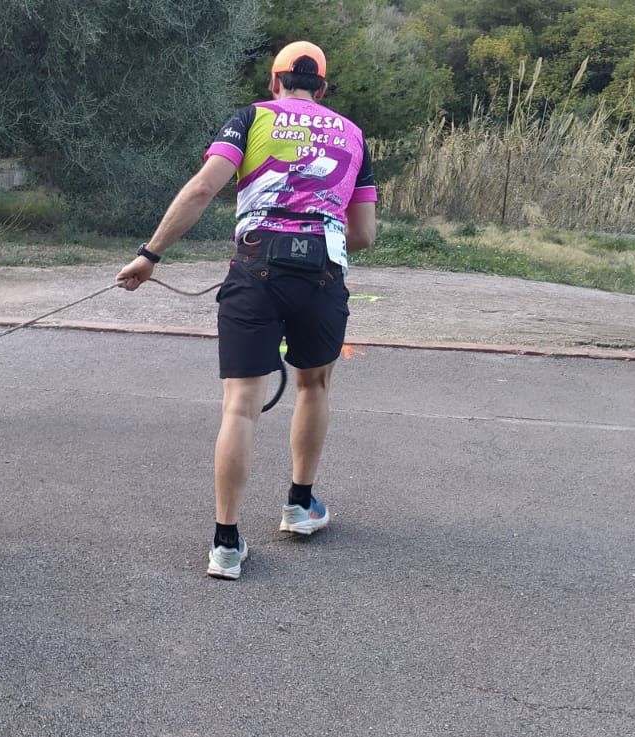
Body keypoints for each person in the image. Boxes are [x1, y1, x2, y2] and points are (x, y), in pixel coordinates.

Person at [114, 41, 377, 579]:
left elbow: (204, 187)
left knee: (239, 406)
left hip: (256, 266)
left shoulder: (250, 118)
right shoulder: (352, 135)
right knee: (314, 386)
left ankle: (226, 543)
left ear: (275, 82)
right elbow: (365, 234)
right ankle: (300, 506)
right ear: (322, 88)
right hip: (322, 272)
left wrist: (150, 255)